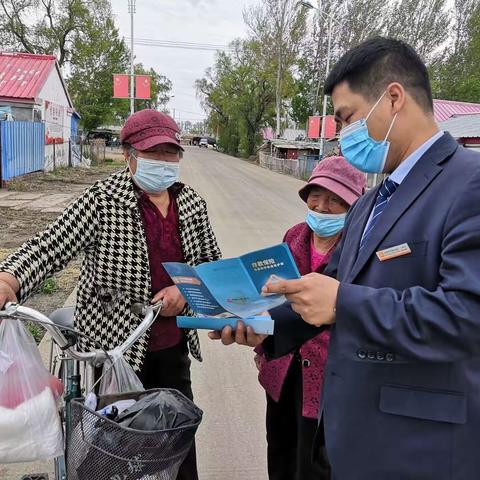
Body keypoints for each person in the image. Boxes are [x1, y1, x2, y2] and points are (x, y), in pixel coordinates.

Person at [263, 37, 480, 479]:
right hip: (348, 437)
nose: (344, 135)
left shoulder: (468, 185)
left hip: (420, 449)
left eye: (348, 118)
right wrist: (261, 325)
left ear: (393, 98)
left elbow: (467, 315)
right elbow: (329, 287)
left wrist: (344, 302)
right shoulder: (369, 201)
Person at [0, 109, 221, 480]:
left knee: (176, 438)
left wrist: (185, 289)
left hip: (171, 343)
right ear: (129, 155)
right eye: (154, 153)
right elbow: (50, 246)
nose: (164, 162)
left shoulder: (191, 205)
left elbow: (213, 267)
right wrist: (10, 279)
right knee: (116, 447)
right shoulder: (102, 199)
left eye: (171, 153)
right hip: (114, 344)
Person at [210, 156, 366, 480]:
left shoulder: (361, 250)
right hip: (283, 370)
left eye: (336, 199)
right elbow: (273, 301)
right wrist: (262, 348)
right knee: (280, 452)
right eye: (316, 195)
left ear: (356, 206)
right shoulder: (294, 236)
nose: (322, 206)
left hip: (330, 379)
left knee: (316, 464)